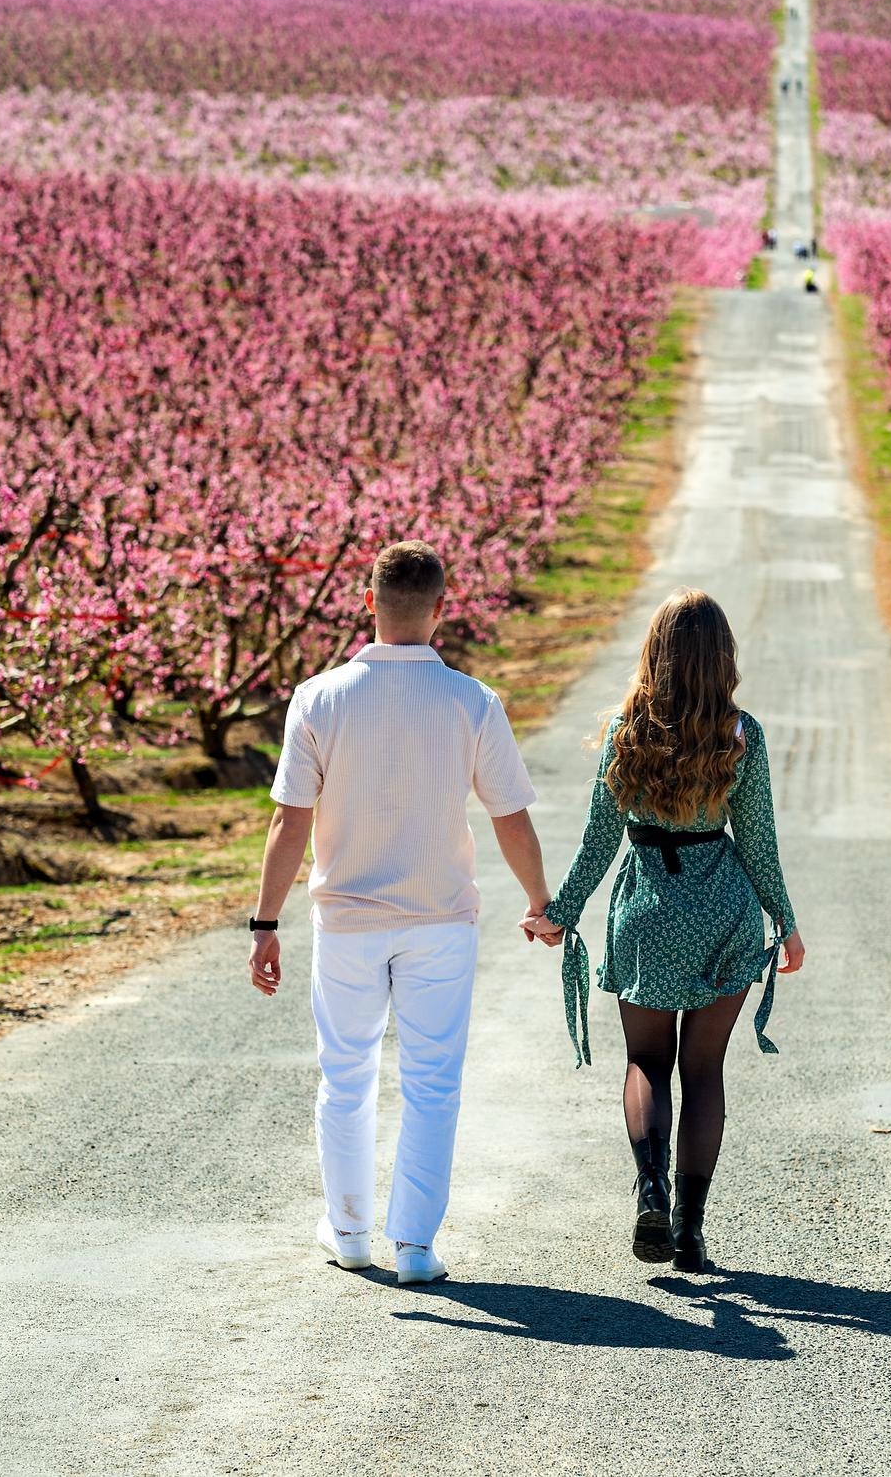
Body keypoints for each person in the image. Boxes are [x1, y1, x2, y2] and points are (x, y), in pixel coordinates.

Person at [249, 540, 547, 1286]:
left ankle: (348, 1230)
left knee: (344, 1076)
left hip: (346, 920)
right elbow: (509, 816)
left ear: (367, 602)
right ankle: (414, 1244)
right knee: (433, 1081)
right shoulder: (472, 701)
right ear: (441, 612)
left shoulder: (318, 697)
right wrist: (541, 901)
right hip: (439, 919)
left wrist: (264, 923)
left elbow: (289, 820)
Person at [522, 590, 805, 1274]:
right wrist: (786, 923)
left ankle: (649, 1187)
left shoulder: (626, 730)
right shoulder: (742, 734)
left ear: (655, 653)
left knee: (646, 1063)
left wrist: (559, 912)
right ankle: (691, 1233)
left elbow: (599, 837)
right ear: (723, 658)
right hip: (723, 913)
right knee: (703, 1070)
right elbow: (759, 841)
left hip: (646, 911)